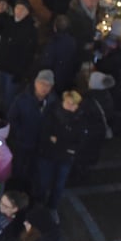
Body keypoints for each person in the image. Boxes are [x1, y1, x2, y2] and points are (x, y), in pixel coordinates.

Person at [36, 90, 86, 220]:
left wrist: (59, 142)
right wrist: (66, 146)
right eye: (68, 103)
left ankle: (52, 208)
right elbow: (45, 135)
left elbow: (78, 143)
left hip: (64, 159)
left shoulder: (80, 119)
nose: (70, 106)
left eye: (73, 104)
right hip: (48, 155)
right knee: (43, 183)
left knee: (59, 185)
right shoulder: (52, 114)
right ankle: (39, 206)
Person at [8, 70, 58, 186]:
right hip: (22, 143)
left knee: (34, 174)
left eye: (48, 85)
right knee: (18, 171)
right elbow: (12, 118)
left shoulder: (53, 102)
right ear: (35, 83)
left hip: (40, 146)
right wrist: (20, 133)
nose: (44, 88)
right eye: (42, 83)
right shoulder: (22, 99)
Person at [39, 16, 79, 95]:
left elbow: (47, 62)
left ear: (55, 27)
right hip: (67, 78)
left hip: (55, 79)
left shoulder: (53, 43)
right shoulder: (72, 41)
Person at [67, 0, 104, 67]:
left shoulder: (96, 12)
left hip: (89, 48)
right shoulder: (74, 13)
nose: (93, 4)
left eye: (96, 2)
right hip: (77, 50)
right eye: (91, 1)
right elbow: (72, 33)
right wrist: (84, 44)